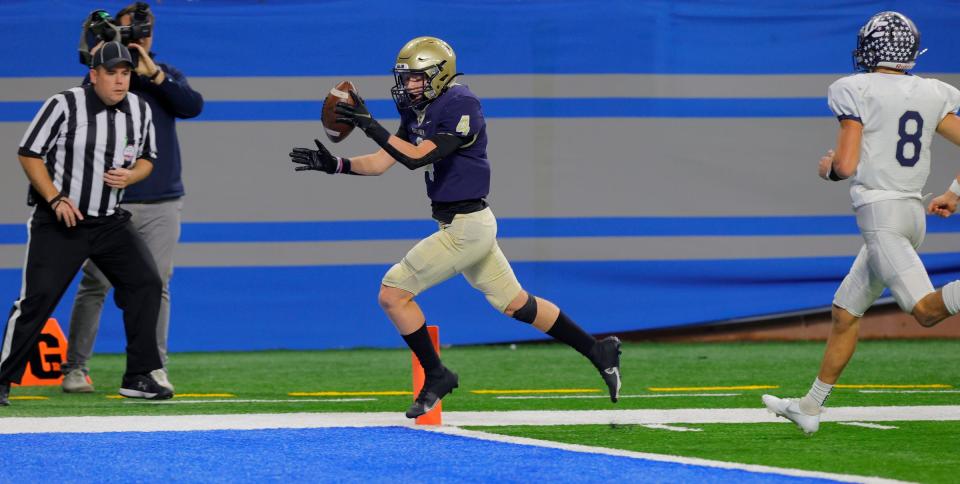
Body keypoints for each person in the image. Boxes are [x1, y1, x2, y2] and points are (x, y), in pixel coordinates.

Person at [289, 36, 622, 418]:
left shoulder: (461, 104)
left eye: (417, 77)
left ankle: (437, 373)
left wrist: (368, 124)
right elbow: (385, 161)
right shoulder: (420, 109)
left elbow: (418, 158)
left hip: (467, 228)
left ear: (439, 74)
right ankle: (598, 349)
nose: (409, 85)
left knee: (393, 294)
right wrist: (337, 165)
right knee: (516, 304)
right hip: (468, 223)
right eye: (405, 77)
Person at [763, 11, 960, 434]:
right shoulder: (931, 92)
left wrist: (830, 169)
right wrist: (954, 193)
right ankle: (810, 407)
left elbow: (847, 164)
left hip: (882, 217)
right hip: (910, 215)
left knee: (924, 311)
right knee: (845, 312)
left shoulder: (856, 89)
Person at [0, 41, 172, 406]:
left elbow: (148, 158)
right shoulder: (64, 104)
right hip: (62, 221)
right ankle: (2, 380)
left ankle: (139, 376)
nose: (120, 81)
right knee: (37, 299)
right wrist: (55, 197)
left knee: (146, 283)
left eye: (125, 73)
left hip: (109, 221)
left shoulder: (140, 109)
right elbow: (29, 153)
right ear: (94, 75)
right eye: (112, 73)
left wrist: (131, 177)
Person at [61, 2, 204, 394]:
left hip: (161, 199)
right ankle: (75, 368)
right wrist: (108, 60)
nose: (138, 40)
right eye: (129, 32)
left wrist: (154, 75)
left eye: (144, 33)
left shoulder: (164, 75)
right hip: (109, 199)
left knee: (157, 283)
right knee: (96, 283)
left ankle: (153, 368)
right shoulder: (103, 77)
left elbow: (191, 106)